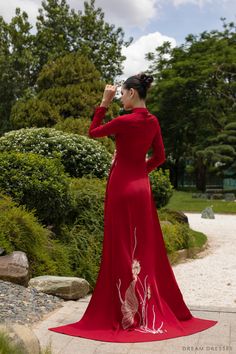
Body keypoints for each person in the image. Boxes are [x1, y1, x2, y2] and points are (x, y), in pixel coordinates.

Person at [48, 73, 218, 343]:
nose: (120, 97)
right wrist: (141, 171)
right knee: (145, 248)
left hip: (121, 189)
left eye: (122, 93)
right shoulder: (152, 121)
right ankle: (147, 306)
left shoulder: (124, 121)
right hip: (141, 189)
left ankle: (127, 313)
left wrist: (103, 102)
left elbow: (93, 132)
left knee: (122, 246)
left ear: (132, 94)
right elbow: (159, 157)